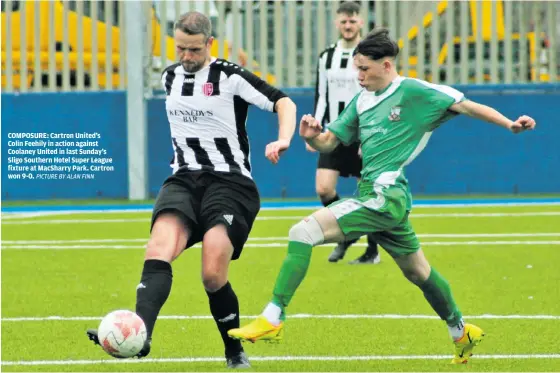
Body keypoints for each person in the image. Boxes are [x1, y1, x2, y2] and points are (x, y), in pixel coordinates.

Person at [228, 28, 536, 364]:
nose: (358, 76)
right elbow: (331, 141)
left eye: (364, 69)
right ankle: (460, 331)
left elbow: (466, 106)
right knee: (418, 272)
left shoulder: (415, 91)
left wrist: (510, 125)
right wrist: (314, 137)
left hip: (383, 194)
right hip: (381, 198)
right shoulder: (362, 101)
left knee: (302, 231)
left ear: (387, 65)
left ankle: (273, 317)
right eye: (356, 68)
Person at [85, 11, 296, 369]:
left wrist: (283, 138)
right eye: (180, 48)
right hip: (183, 179)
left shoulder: (230, 76)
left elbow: (283, 101)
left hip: (230, 182)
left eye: (194, 50)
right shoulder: (170, 77)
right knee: (157, 250)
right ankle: (140, 338)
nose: (186, 56)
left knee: (213, 273)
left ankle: (233, 351)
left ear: (209, 44)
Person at [311, 1, 380, 264]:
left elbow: (378, 94)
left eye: (353, 21)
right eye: (344, 21)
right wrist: (316, 131)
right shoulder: (326, 56)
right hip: (334, 133)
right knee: (324, 188)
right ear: (337, 23)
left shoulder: (370, 57)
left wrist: (371, 132)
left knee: (371, 193)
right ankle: (347, 234)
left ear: (361, 22)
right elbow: (321, 95)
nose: (348, 25)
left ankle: (372, 250)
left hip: (365, 134)